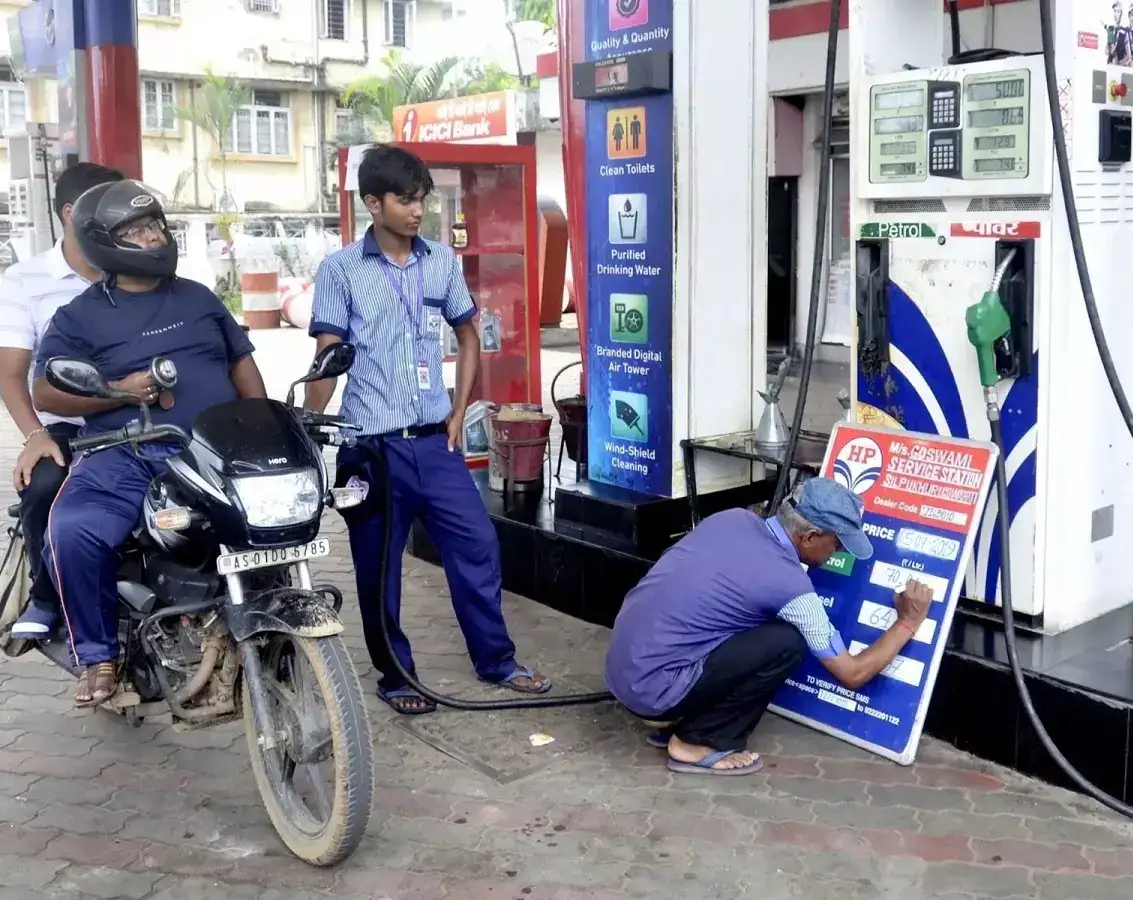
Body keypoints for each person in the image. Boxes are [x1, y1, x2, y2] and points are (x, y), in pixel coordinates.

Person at [304, 144, 550, 717]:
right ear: (373, 203)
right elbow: (329, 354)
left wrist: (461, 409)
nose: (417, 211)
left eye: (421, 200)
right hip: (370, 447)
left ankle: (496, 661)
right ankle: (396, 675)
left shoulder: (440, 261)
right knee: (378, 566)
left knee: (477, 543)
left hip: (434, 442)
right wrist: (310, 428)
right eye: (404, 200)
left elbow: (467, 333)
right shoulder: (340, 270)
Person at [32, 179, 268, 707]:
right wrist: (117, 391)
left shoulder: (199, 297)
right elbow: (45, 388)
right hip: (122, 455)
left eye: (156, 225)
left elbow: (241, 365)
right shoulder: (80, 315)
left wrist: (262, 422)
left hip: (208, 451)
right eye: (136, 231)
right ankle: (96, 654)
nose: (154, 237)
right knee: (71, 532)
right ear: (103, 242)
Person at [604, 477, 936, 776]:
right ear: (809, 536)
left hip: (623, 667)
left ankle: (679, 714)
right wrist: (907, 622)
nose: (837, 553)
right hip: (652, 689)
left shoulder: (732, 519)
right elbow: (852, 673)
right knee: (787, 642)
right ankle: (696, 741)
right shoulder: (790, 585)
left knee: (742, 621)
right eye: (836, 543)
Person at [0, 162, 125, 640]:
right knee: (44, 482)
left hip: (139, 414)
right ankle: (47, 595)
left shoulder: (132, 268)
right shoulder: (27, 280)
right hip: (65, 424)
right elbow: (12, 374)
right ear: (71, 212)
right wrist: (34, 435)